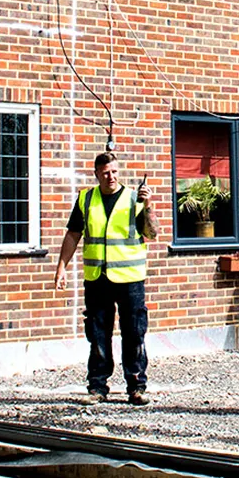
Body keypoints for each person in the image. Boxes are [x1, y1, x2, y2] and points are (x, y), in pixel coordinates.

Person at [54, 152, 159, 406]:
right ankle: (97, 387)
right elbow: (73, 235)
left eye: (113, 171)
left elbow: (152, 233)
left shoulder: (134, 198)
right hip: (97, 276)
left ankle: (136, 387)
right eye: (105, 172)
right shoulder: (86, 199)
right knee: (98, 334)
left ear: (118, 171)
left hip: (130, 278)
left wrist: (148, 206)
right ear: (97, 174)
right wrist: (61, 267)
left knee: (134, 333)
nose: (110, 176)